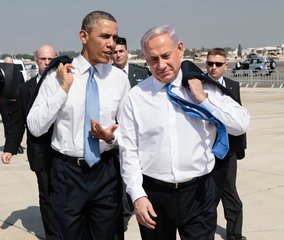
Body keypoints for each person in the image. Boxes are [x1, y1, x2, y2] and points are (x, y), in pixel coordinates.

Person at [118, 25, 250, 240]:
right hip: (154, 194)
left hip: (199, 193)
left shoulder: (206, 88)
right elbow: (128, 150)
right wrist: (137, 195)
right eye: (153, 59)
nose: (161, 65)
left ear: (180, 49)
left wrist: (203, 100)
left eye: (166, 56)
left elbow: (240, 124)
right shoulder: (136, 97)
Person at [27, 11, 130, 240]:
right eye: (105, 36)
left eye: (115, 37)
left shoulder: (119, 80)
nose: (111, 44)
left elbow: (129, 129)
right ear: (84, 36)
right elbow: (35, 126)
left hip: (105, 172)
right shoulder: (58, 75)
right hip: (67, 174)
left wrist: (110, 137)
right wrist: (63, 89)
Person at [1, 45, 59, 240]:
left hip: (64, 152)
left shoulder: (66, 83)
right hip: (40, 152)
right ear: (36, 61)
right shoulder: (25, 89)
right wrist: (9, 148)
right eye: (43, 59)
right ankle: (53, 235)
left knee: (67, 195)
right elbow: (18, 122)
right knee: (47, 196)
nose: (47, 62)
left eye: (51, 59)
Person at [207, 48, 247, 240]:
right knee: (209, 195)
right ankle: (205, 232)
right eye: (210, 64)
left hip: (229, 150)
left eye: (217, 64)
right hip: (207, 151)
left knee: (230, 192)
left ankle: (235, 234)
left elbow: (240, 119)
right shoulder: (199, 85)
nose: (213, 68)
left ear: (226, 66)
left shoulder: (233, 86)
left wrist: (241, 148)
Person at [112, 36, 150, 233]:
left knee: (135, 175)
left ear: (126, 51)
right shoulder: (106, 75)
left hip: (138, 135)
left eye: (121, 51)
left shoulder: (142, 74)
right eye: (115, 52)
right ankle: (124, 214)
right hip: (114, 137)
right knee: (118, 178)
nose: (118, 55)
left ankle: (132, 207)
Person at [0, 56, 25, 154]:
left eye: (10, 64)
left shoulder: (18, 73)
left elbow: (22, 85)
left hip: (15, 102)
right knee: (7, 125)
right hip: (4, 103)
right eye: (7, 64)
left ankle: (17, 144)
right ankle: (10, 145)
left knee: (17, 124)